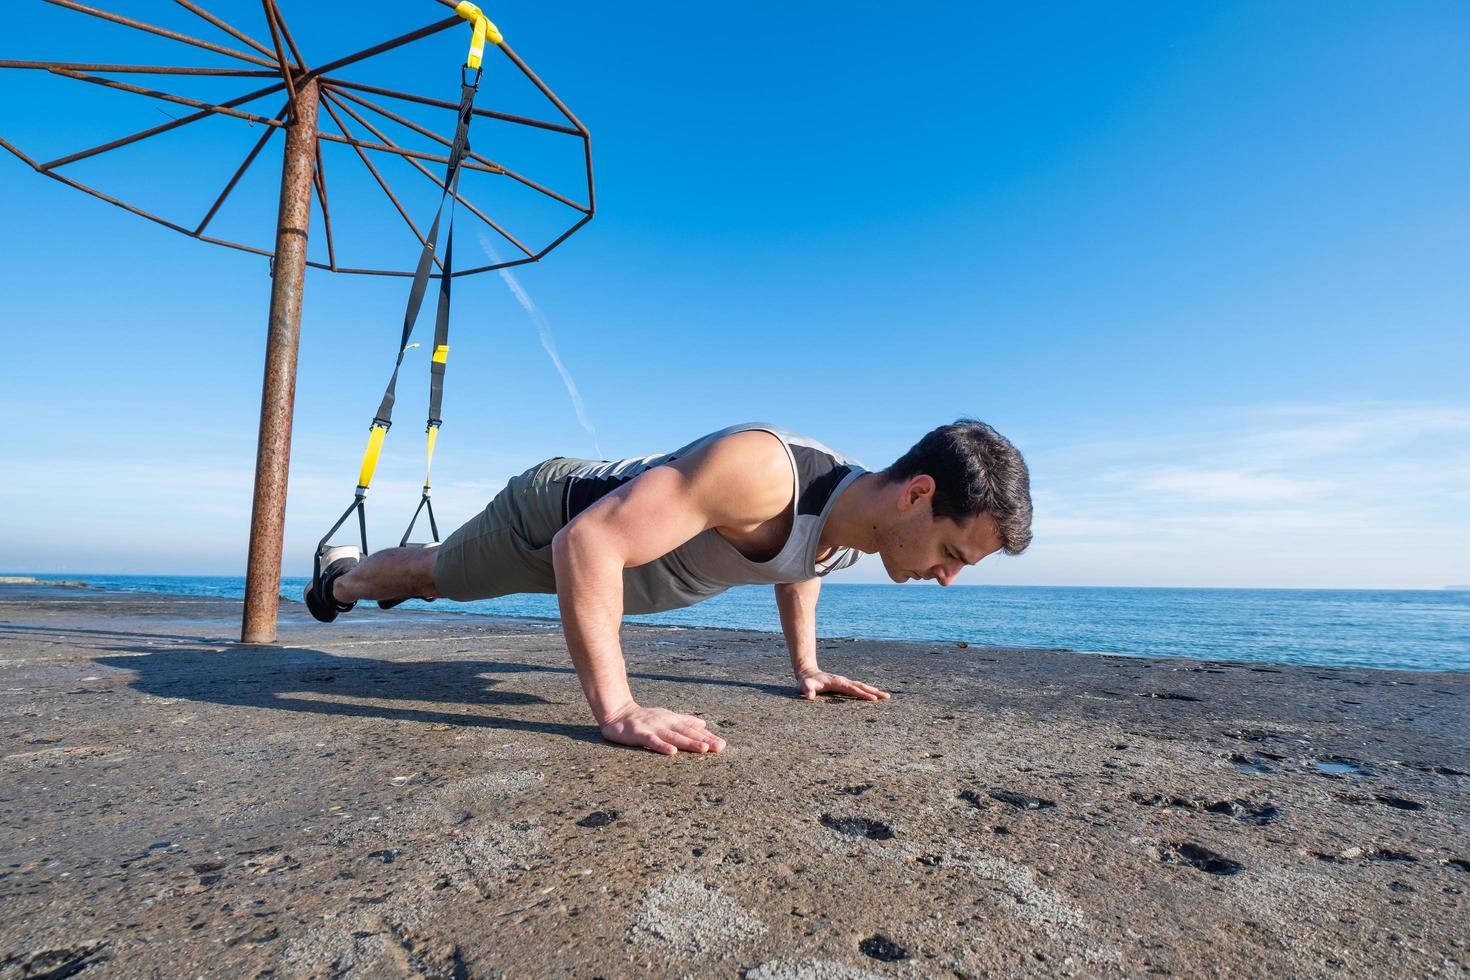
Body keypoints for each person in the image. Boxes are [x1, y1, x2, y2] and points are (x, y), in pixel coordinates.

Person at [305, 420, 1032, 755]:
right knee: (439, 579)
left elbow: (801, 564)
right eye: (950, 552)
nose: (948, 577)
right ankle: (340, 581)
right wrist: (617, 709)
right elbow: (586, 542)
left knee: (442, 570)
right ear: (917, 494)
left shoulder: (864, 524)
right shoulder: (762, 472)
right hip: (554, 522)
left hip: (610, 553)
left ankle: (382, 569)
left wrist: (805, 667)